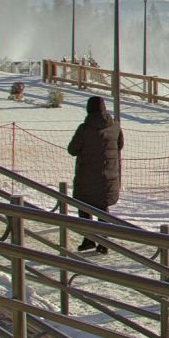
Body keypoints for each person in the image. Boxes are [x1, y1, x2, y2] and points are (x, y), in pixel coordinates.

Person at [66, 95, 124, 254]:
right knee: (102, 207)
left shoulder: (84, 128)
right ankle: (103, 241)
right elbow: (120, 145)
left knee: (84, 206)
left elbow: (72, 149)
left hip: (87, 174)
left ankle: (89, 239)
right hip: (109, 173)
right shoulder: (115, 126)